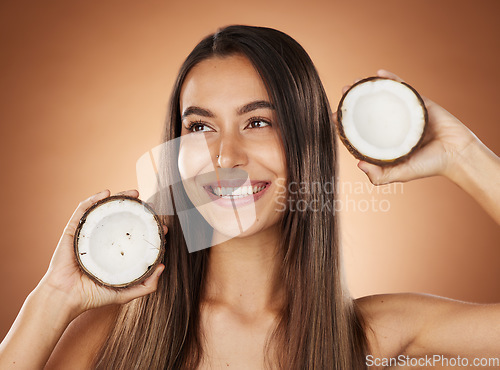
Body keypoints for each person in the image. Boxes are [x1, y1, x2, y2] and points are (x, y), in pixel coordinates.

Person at [0, 25, 499, 369]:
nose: (225, 155)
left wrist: (463, 155)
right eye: (200, 126)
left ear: (307, 144)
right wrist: (54, 297)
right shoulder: (110, 337)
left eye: (258, 122)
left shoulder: (378, 337)